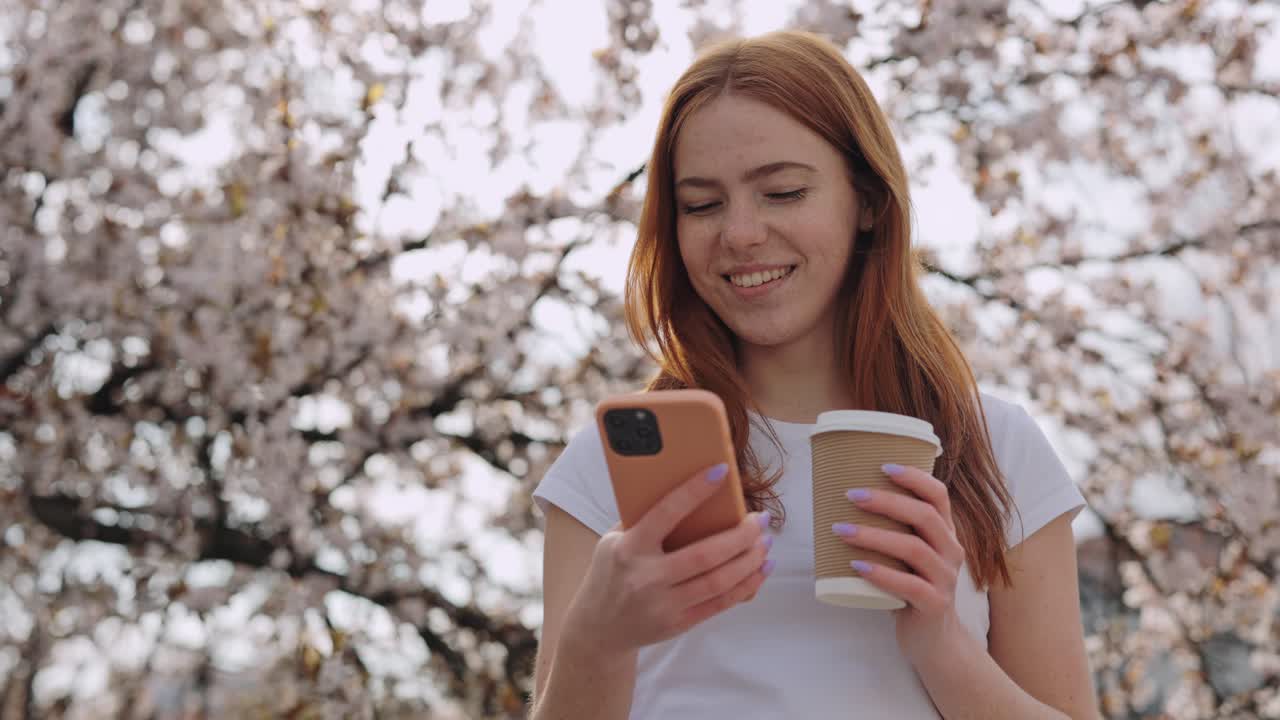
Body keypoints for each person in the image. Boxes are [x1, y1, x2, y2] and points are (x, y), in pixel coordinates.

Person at [529, 30, 1099, 719]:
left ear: (866, 201)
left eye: (783, 192)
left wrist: (939, 641)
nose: (739, 233)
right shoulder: (610, 463)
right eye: (702, 204)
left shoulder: (995, 449)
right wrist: (598, 638)